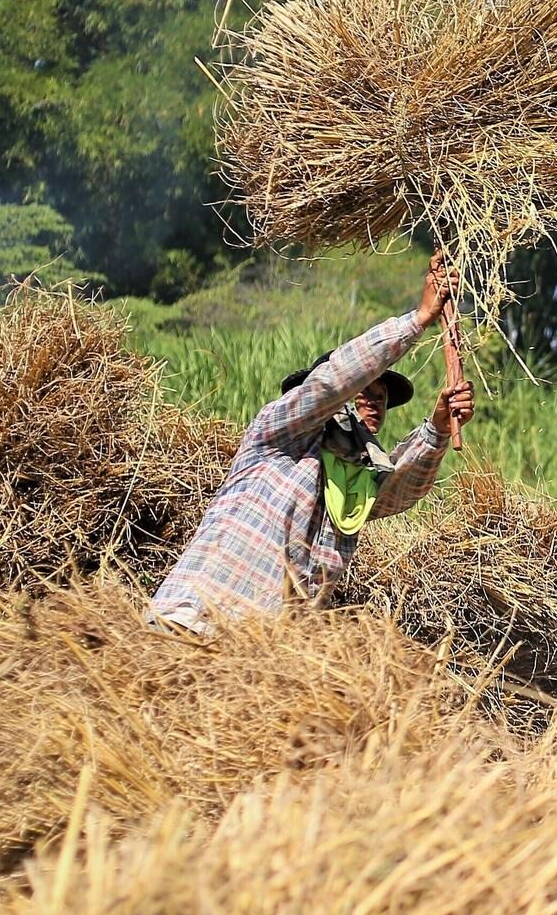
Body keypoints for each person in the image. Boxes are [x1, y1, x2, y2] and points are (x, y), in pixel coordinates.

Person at [149, 255, 473, 633]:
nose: (374, 402)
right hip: (193, 624)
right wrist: (417, 321)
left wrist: (437, 428)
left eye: (381, 399)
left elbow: (401, 488)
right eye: (363, 390)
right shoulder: (280, 435)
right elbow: (331, 383)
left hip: (255, 660)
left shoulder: (350, 486)